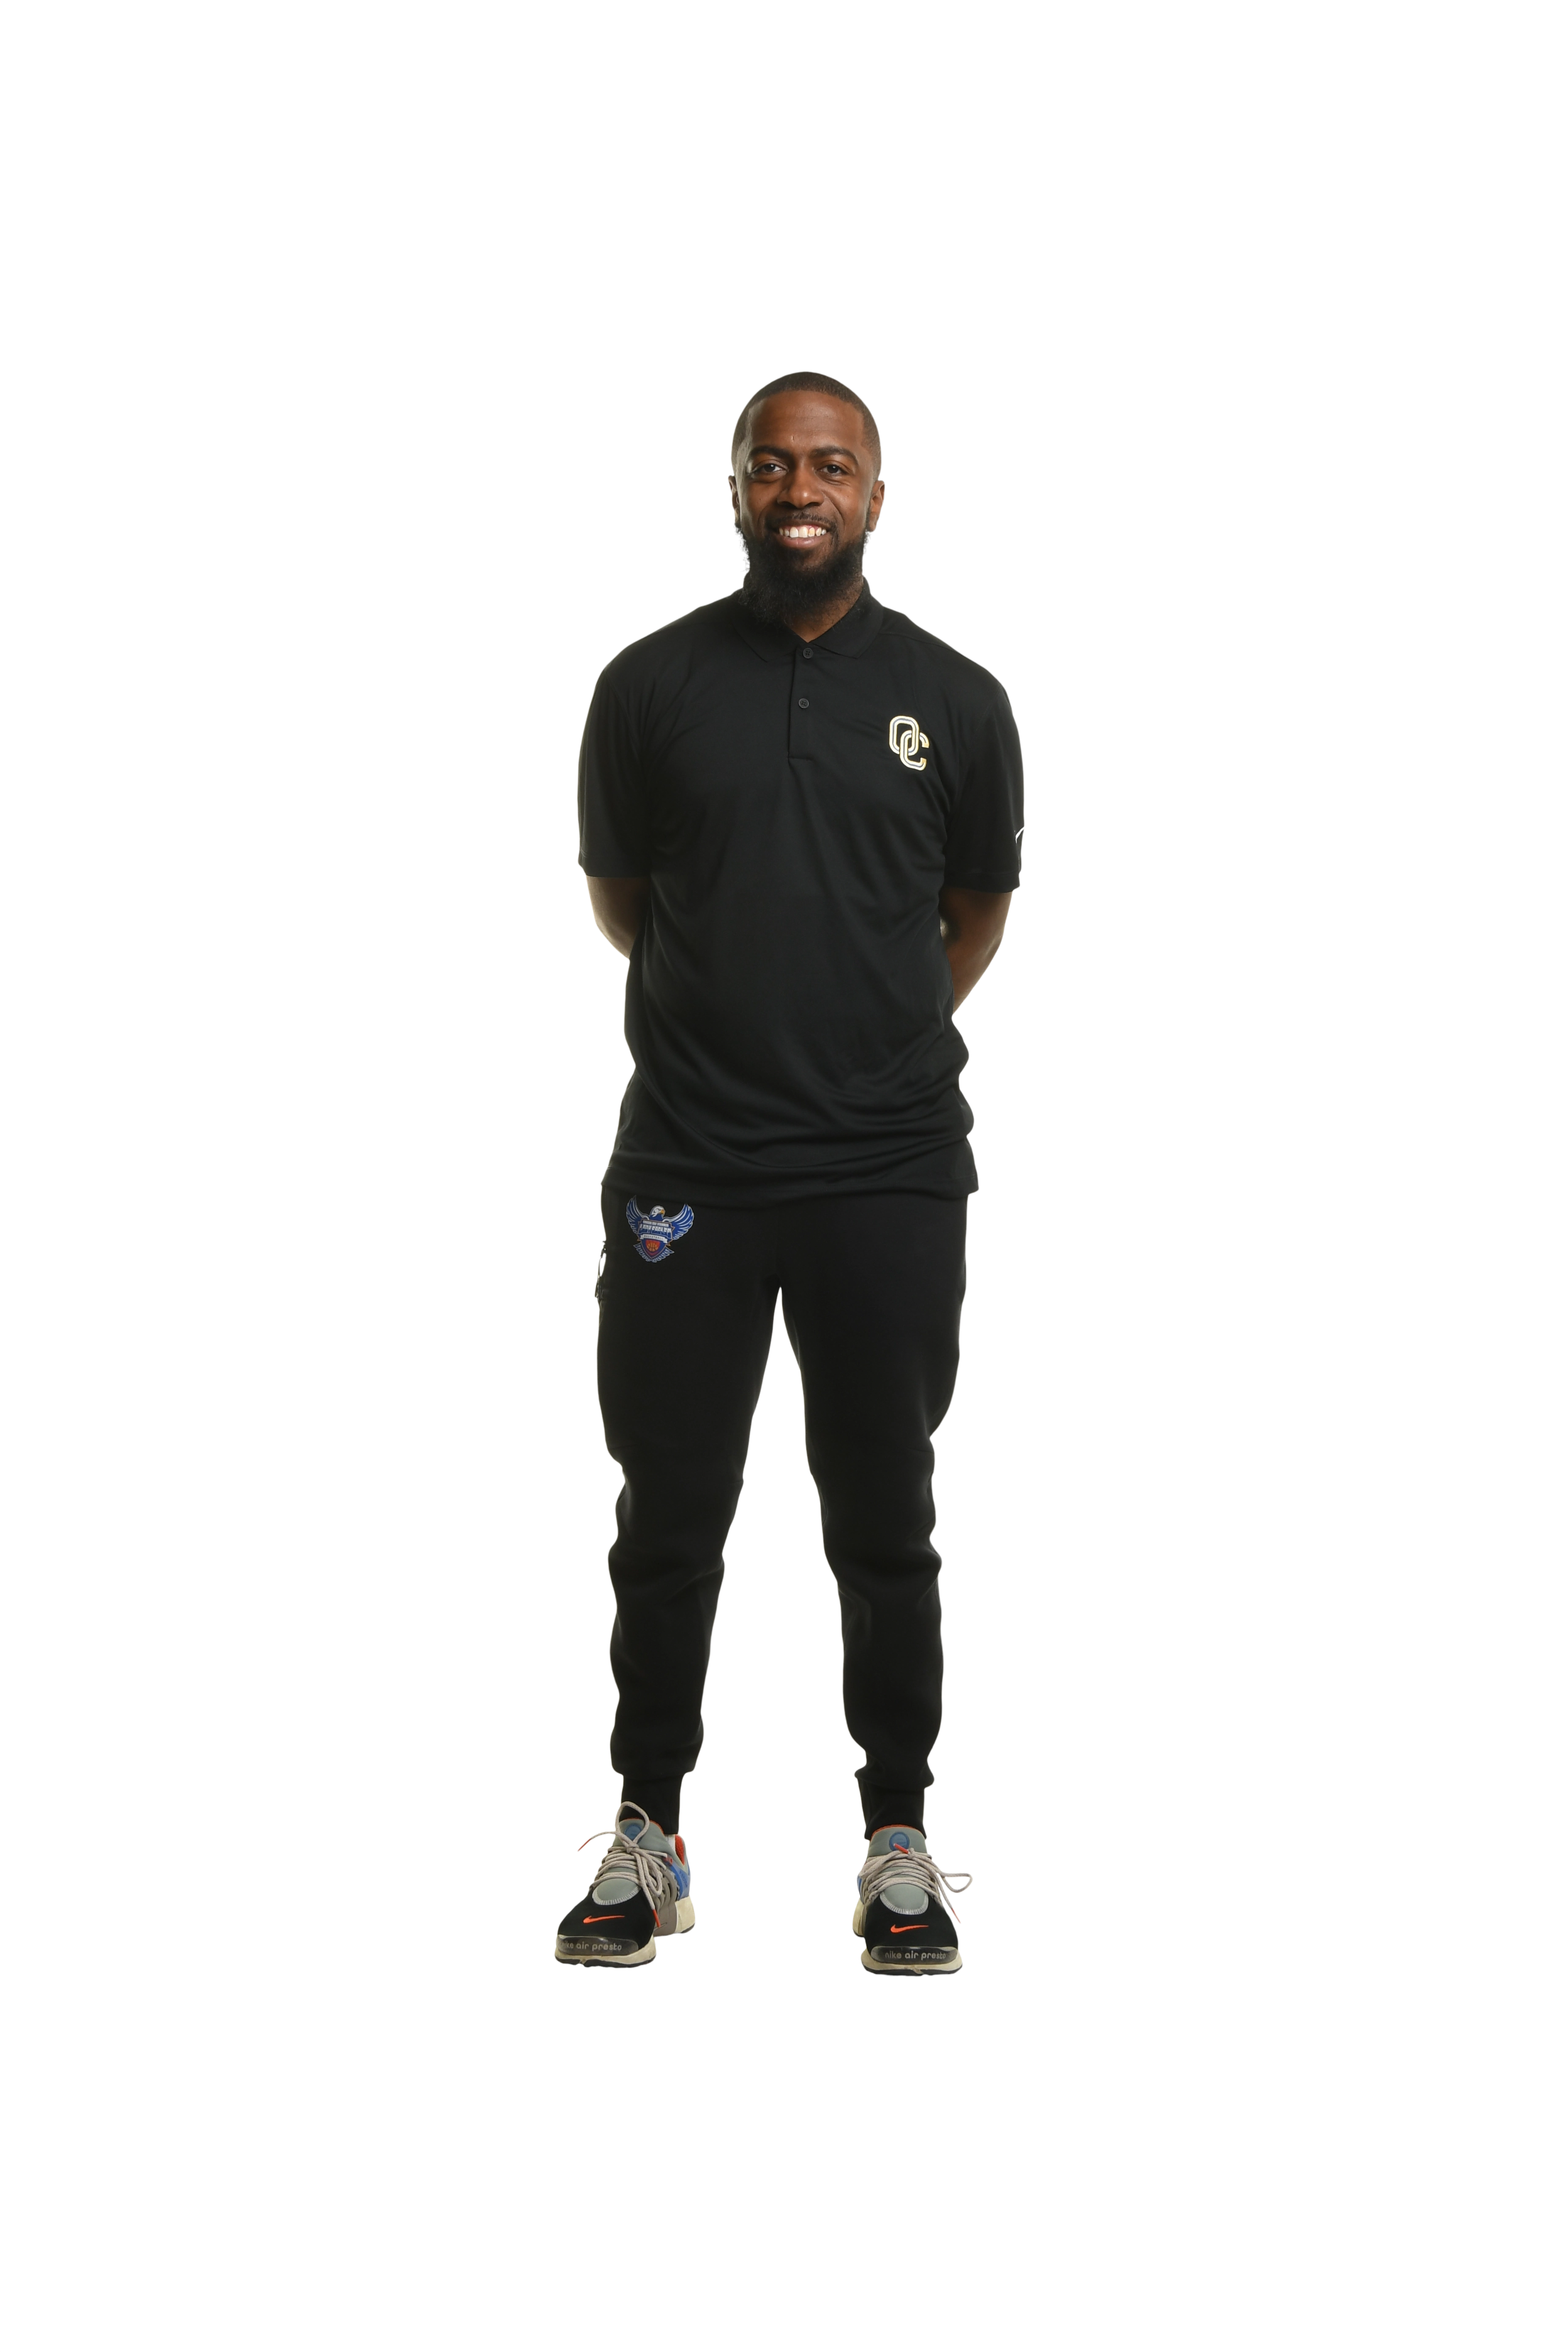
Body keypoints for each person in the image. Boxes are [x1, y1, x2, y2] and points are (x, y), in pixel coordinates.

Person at [553, 370, 1021, 1974]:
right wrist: (745, 1029)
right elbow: (626, 904)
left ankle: (897, 1832)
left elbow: (972, 918)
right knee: (669, 1507)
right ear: (737, 490)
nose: (799, 488)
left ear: (877, 495)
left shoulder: (960, 701)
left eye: (830, 464)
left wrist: (863, 1037)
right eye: (771, 463)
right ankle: (648, 1826)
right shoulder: (648, 687)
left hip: (889, 1170)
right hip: (689, 1161)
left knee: (886, 1511)